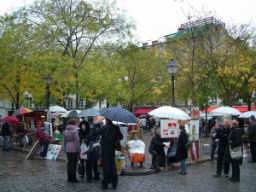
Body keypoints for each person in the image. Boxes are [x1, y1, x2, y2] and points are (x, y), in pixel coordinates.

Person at [94, 118, 123, 190]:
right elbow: (121, 137)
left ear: (107, 121)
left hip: (105, 150)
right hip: (112, 150)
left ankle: (105, 184)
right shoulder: (115, 127)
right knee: (113, 167)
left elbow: (95, 132)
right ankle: (114, 184)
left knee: (106, 168)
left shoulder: (104, 128)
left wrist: (96, 124)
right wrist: (117, 129)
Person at [64, 119, 80, 183]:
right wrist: (79, 149)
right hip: (74, 149)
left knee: (69, 164)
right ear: (74, 123)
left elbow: (65, 141)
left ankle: (69, 177)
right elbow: (77, 141)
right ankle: (74, 178)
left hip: (68, 148)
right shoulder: (75, 130)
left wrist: (65, 148)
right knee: (74, 164)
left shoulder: (66, 130)